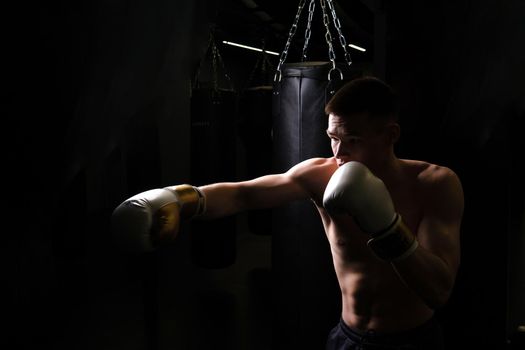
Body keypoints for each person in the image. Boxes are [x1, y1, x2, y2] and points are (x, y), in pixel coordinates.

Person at [112, 76, 464, 349]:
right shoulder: (320, 174)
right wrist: (177, 198)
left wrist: (388, 228)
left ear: (390, 135)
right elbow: (245, 195)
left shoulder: (434, 184)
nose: (339, 152)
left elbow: (438, 290)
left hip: (413, 341)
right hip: (346, 338)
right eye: (332, 137)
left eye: (353, 140)